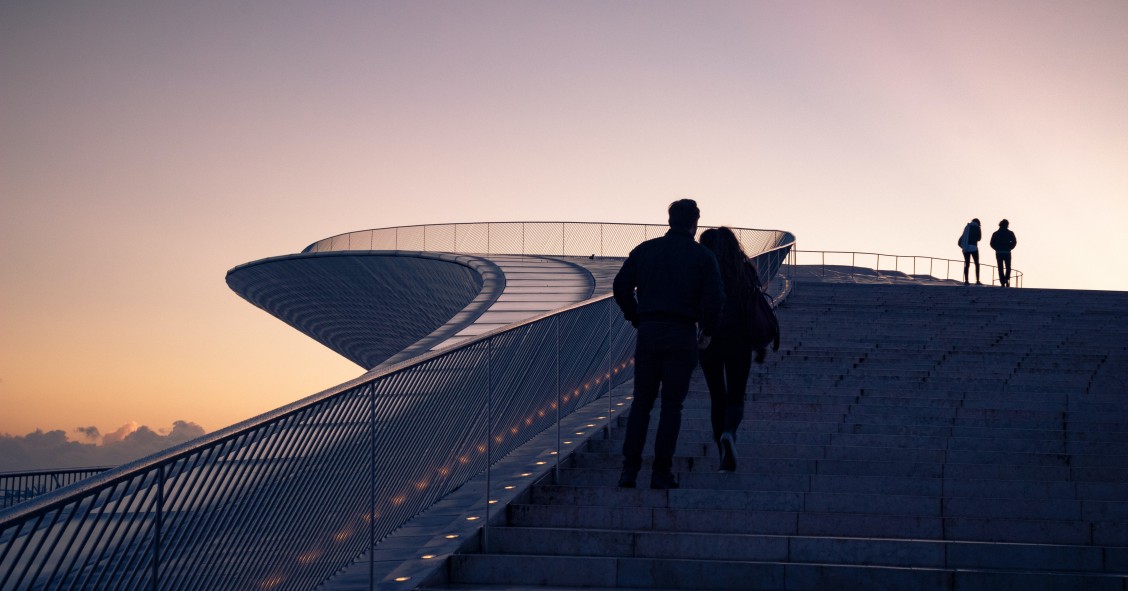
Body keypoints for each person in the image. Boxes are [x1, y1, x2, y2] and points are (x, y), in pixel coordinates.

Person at [612, 199, 725, 489]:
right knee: (672, 406)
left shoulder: (645, 250)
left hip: (649, 331)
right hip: (682, 332)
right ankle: (661, 472)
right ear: (694, 223)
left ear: (669, 220)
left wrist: (636, 315)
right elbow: (715, 299)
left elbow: (620, 286)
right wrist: (708, 331)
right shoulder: (702, 257)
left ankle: (629, 470)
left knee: (641, 404)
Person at [698, 227, 763, 472]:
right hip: (740, 340)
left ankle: (722, 451)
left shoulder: (703, 270)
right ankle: (729, 432)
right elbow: (755, 306)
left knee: (717, 395)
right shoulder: (744, 271)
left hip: (709, 339)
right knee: (736, 394)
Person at [990, 219, 1018, 287]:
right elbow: (1014, 242)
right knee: (1008, 266)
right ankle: (1007, 279)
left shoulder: (995, 233)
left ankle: (1002, 281)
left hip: (999, 252)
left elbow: (991, 243)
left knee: (1000, 267)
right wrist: (1010, 248)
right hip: (1007, 252)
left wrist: (996, 249)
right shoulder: (1010, 233)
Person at [958, 218, 982, 285]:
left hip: (966, 248)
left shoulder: (967, 227)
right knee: (977, 264)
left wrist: (963, 246)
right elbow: (979, 238)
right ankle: (977, 280)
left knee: (967, 264)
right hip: (974, 247)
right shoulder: (977, 228)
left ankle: (966, 280)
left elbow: (962, 237)